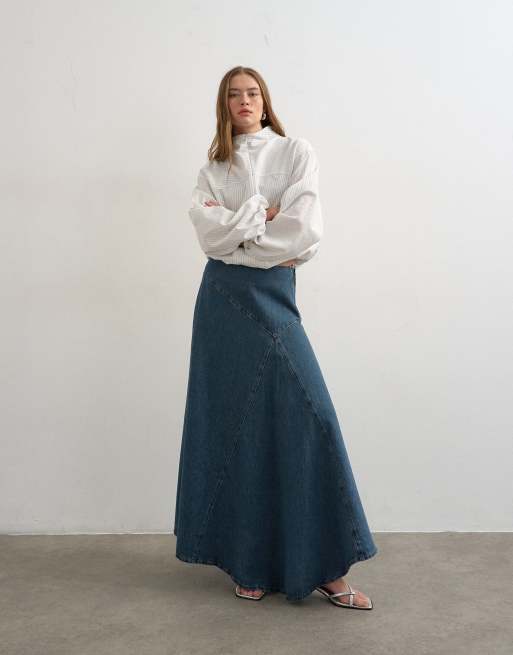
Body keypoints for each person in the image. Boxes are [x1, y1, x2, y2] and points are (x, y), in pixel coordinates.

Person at [173, 66, 377, 608]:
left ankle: (328, 569)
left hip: (273, 298)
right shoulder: (212, 168)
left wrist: (238, 231)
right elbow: (208, 238)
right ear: (224, 105)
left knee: (312, 415)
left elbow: (302, 231)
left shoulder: (295, 153)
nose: (244, 100)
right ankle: (249, 561)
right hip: (222, 302)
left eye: (252, 92)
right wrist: (259, 216)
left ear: (265, 101)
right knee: (236, 428)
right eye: (233, 94)